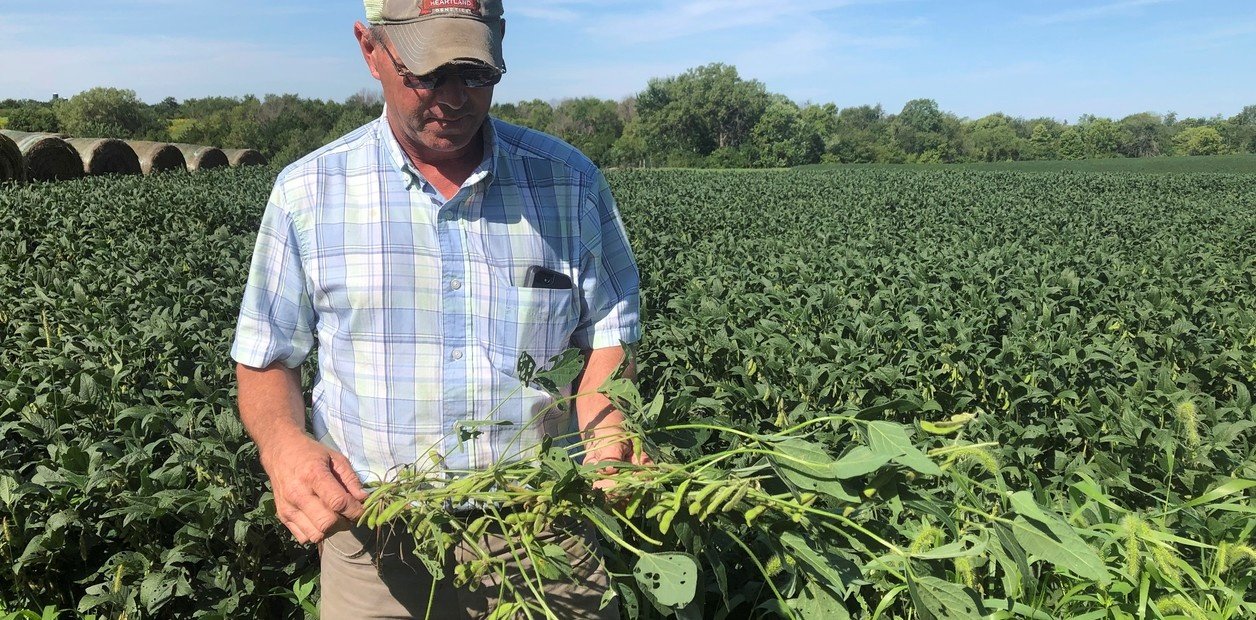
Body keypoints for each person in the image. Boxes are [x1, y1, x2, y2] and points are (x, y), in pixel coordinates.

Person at [229, 1, 644, 617]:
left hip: (546, 533)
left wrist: (609, 423)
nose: (454, 97)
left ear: (500, 45)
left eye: (475, 73)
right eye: (427, 74)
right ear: (371, 51)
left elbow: (610, 333)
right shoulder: (307, 193)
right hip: (377, 543)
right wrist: (284, 445)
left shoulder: (569, 183)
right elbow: (266, 357)